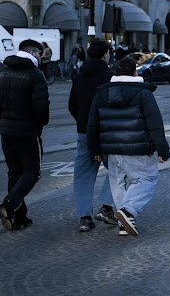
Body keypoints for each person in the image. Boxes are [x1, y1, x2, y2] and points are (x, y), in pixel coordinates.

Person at [87, 57, 170, 236]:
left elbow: (92, 123)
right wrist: (163, 150)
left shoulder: (102, 93)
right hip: (138, 148)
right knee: (146, 179)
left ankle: (123, 222)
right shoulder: (143, 93)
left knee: (117, 183)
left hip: (111, 150)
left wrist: (94, 150)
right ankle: (128, 211)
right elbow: (155, 123)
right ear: (135, 72)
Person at [0, 39, 50, 231]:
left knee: (15, 172)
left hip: (6, 130)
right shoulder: (35, 74)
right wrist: (38, 123)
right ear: (33, 53)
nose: (41, 58)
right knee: (32, 172)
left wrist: (4, 117)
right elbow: (42, 107)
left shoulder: (3, 72)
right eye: (40, 54)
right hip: (28, 131)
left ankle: (18, 217)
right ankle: (8, 205)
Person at [68, 38, 116, 232]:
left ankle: (85, 218)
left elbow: (72, 105)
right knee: (117, 168)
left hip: (84, 132)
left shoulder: (79, 76)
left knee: (83, 176)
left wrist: (83, 121)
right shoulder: (110, 77)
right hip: (106, 132)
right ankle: (106, 206)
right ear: (105, 54)